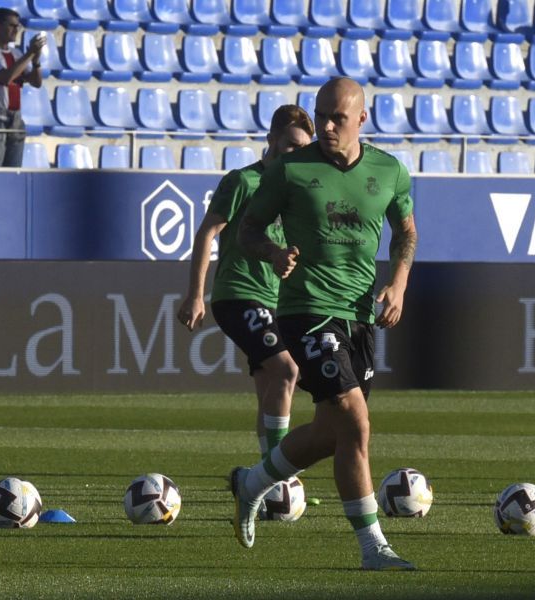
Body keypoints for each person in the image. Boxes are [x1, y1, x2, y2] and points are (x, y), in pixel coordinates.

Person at [230, 77, 417, 571]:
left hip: (358, 316)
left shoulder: (390, 171)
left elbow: (406, 232)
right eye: (322, 116)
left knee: (332, 433)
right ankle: (373, 547)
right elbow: (247, 229)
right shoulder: (290, 169)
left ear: (362, 118)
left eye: (337, 117)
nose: (327, 126)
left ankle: (252, 483)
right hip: (306, 311)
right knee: (356, 421)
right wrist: (272, 252)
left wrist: (398, 282)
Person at [177, 105, 314, 460]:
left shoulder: (293, 192)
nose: (297, 154)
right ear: (271, 140)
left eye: (304, 148)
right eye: (291, 145)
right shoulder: (244, 181)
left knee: (270, 386)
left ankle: (264, 477)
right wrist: (196, 295)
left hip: (275, 300)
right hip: (238, 294)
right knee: (288, 369)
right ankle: (280, 473)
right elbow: (207, 232)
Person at [0, 8, 45, 167]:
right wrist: (29, 54)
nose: (16, 29)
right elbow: (6, 77)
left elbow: (36, 82)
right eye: (12, 25)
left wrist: (36, 61)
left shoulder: (17, 53)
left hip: (15, 118)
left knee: (13, 171)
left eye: (18, 25)